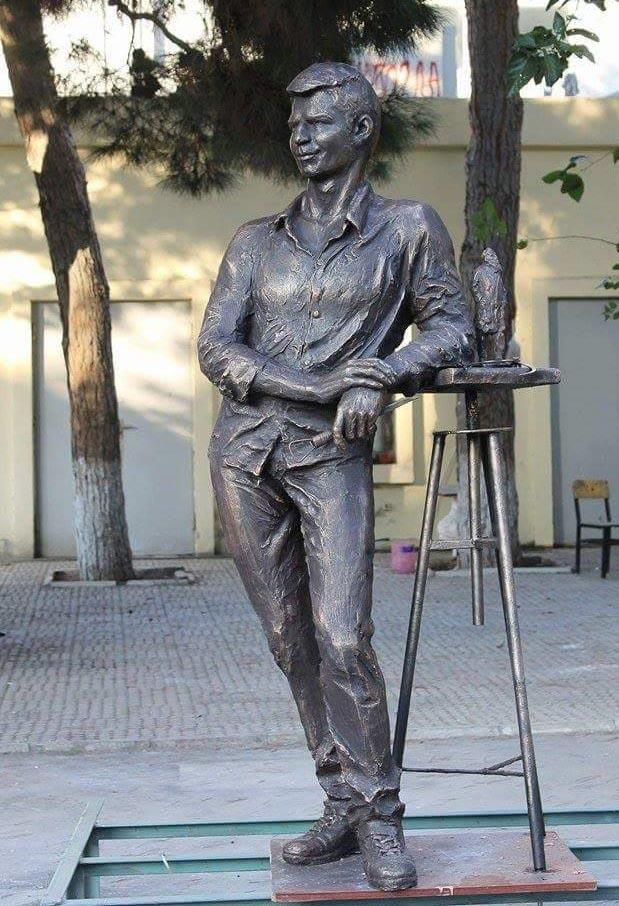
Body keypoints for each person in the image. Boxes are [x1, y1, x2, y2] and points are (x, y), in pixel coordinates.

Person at [198, 61, 474, 891]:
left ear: (361, 130)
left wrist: (380, 374)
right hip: (245, 455)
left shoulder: (408, 228)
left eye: (317, 121)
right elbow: (216, 346)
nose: (300, 135)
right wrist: (314, 385)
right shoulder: (255, 241)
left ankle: (381, 817)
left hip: (330, 458)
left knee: (343, 637)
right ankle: (341, 804)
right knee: (290, 641)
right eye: (294, 123)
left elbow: (452, 327)